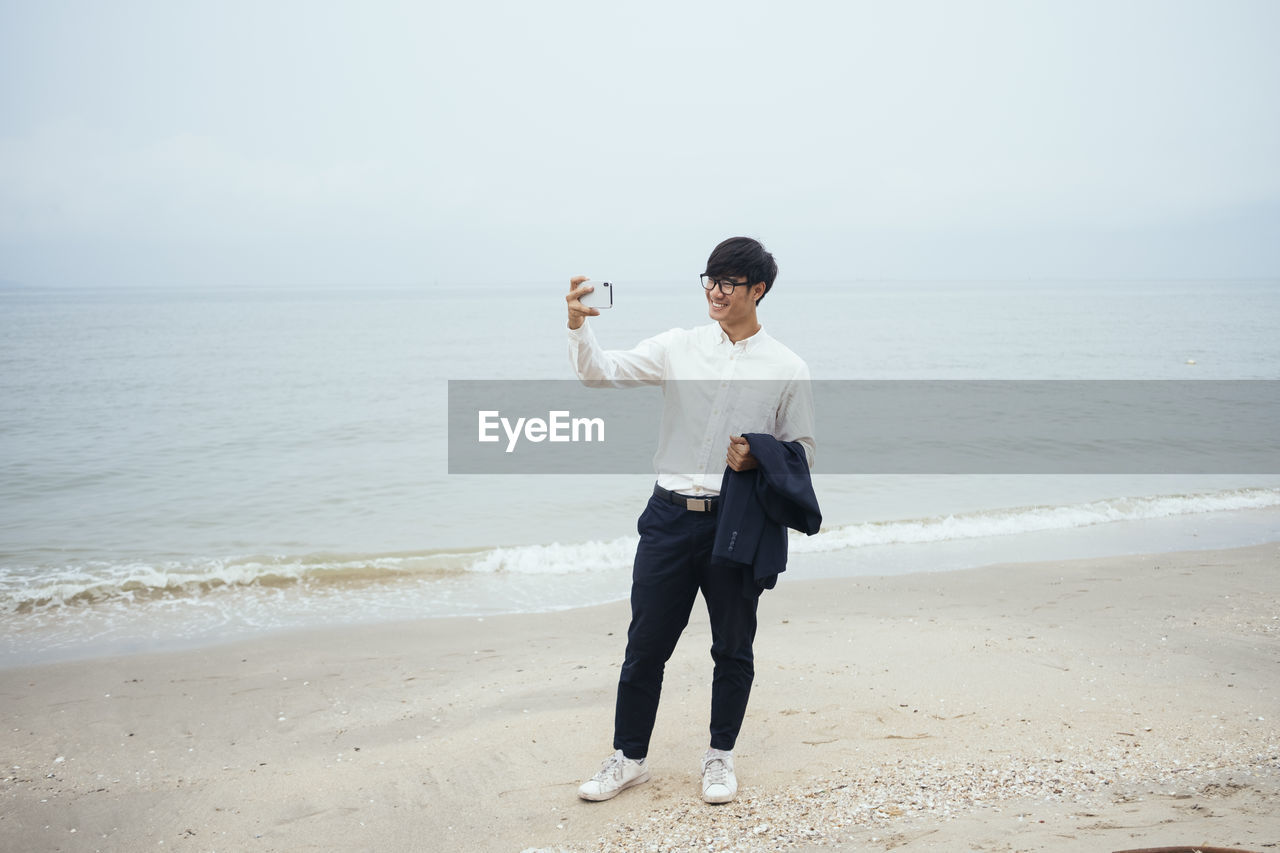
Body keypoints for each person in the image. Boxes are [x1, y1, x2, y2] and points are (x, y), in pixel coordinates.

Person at [565, 236, 816, 805]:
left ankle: (720, 758)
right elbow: (599, 373)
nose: (715, 293)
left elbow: (803, 450)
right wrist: (580, 327)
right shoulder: (678, 347)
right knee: (645, 645)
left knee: (732, 647)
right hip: (669, 518)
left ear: (760, 290)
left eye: (728, 283)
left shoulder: (788, 367)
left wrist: (757, 456)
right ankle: (628, 758)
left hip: (738, 520)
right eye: (709, 280)